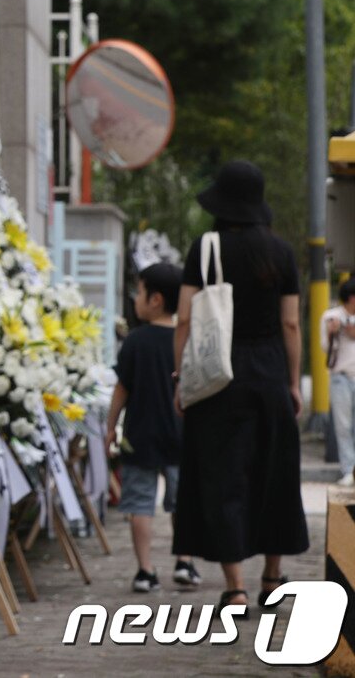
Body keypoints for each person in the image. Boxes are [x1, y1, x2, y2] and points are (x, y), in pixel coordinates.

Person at [173, 160, 309, 610]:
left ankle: (234, 589)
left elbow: (187, 319)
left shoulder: (204, 248)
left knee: (222, 476)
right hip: (269, 371)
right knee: (274, 474)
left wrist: (181, 378)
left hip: (217, 378)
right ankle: (272, 579)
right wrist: (292, 383)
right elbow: (291, 324)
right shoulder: (281, 253)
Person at [105, 263, 201, 592]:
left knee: (139, 505)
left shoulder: (134, 341)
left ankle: (145, 570)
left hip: (140, 436)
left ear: (156, 299)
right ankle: (185, 562)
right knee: (182, 502)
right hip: (182, 434)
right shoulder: (185, 339)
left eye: (139, 292)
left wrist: (110, 427)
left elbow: (121, 389)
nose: (136, 298)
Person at [322, 277, 355, 486]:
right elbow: (325, 348)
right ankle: (348, 470)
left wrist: (346, 327)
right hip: (340, 377)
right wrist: (333, 331)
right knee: (343, 426)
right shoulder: (330, 316)